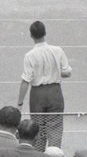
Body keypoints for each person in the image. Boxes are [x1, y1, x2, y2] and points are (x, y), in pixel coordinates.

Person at [17, 21, 71, 150]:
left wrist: (20, 103)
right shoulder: (58, 50)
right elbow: (67, 72)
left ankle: (39, 156)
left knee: (37, 127)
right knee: (55, 127)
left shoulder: (30, 55)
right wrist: (57, 71)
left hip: (37, 94)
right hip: (55, 92)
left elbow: (26, 80)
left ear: (31, 35)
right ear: (45, 33)